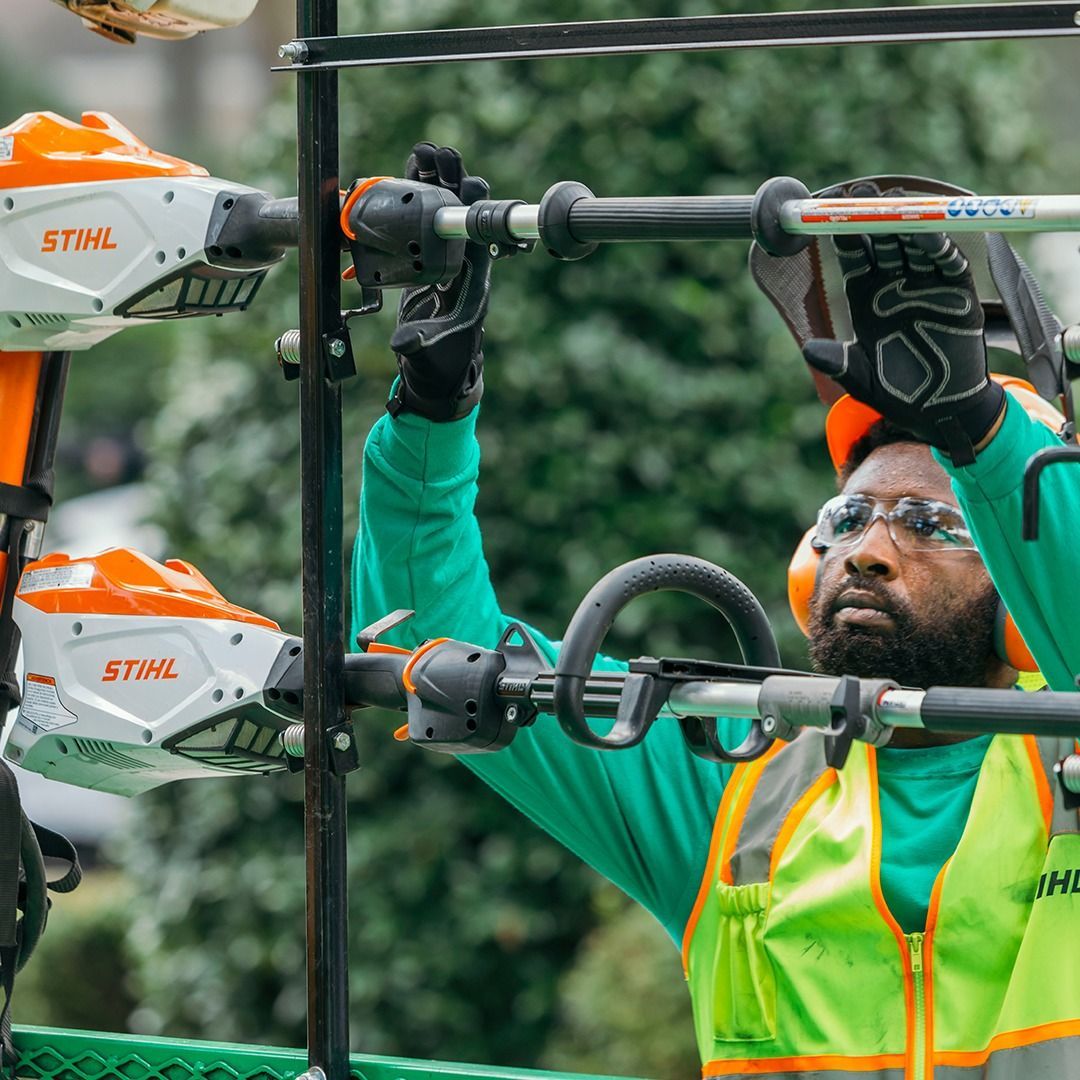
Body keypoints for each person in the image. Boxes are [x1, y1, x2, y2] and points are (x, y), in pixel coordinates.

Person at [353, 145, 1080, 1076]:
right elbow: (425, 647)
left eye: (934, 523)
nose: (865, 550)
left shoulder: (1068, 765)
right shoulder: (727, 787)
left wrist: (979, 426)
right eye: (848, 516)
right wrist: (429, 411)